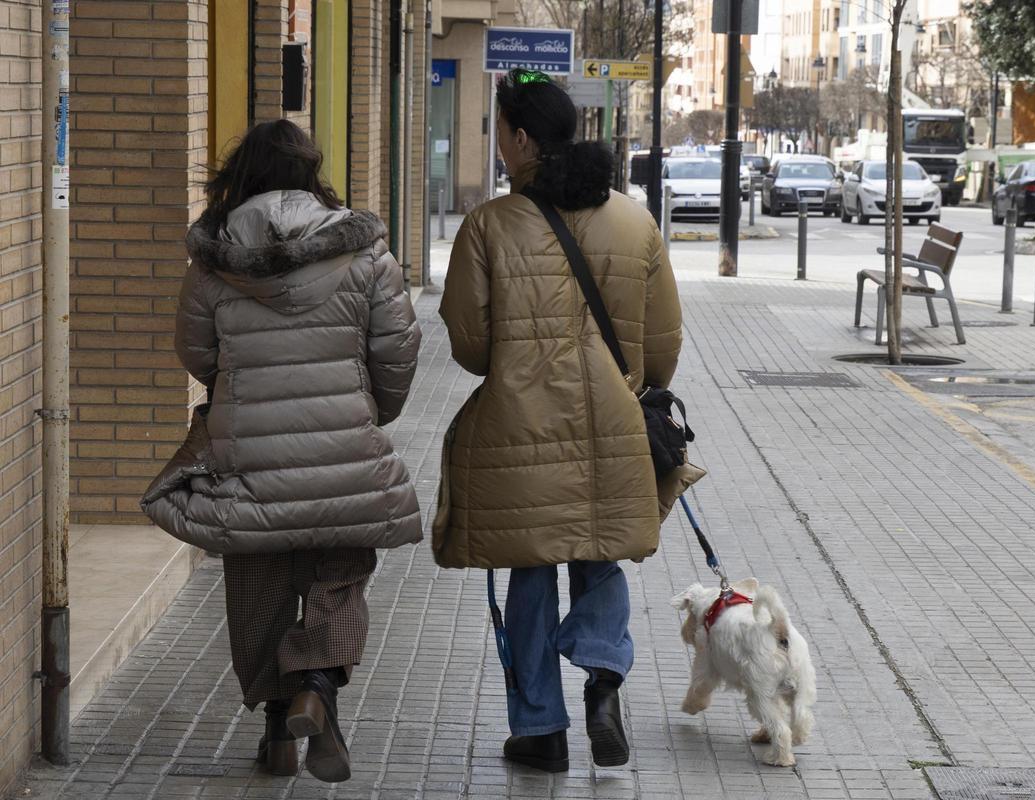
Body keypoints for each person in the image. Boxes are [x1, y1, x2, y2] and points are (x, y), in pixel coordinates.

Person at [150, 119, 422, 782]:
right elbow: (397, 349)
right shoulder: (364, 253)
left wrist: (238, 388)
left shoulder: (213, 261)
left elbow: (196, 352)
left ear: (240, 176)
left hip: (248, 456)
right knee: (340, 575)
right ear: (310, 173)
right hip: (343, 449)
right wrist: (369, 413)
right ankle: (317, 689)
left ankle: (277, 733)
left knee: (257, 589)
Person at [433, 69, 688, 773]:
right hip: (612, 418)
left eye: (500, 134)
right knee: (599, 552)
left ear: (521, 139)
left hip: (521, 425)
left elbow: (471, 345)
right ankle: (603, 679)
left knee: (531, 570)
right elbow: (664, 340)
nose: (498, 146)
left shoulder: (488, 226)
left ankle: (540, 730)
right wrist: (631, 386)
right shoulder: (634, 221)